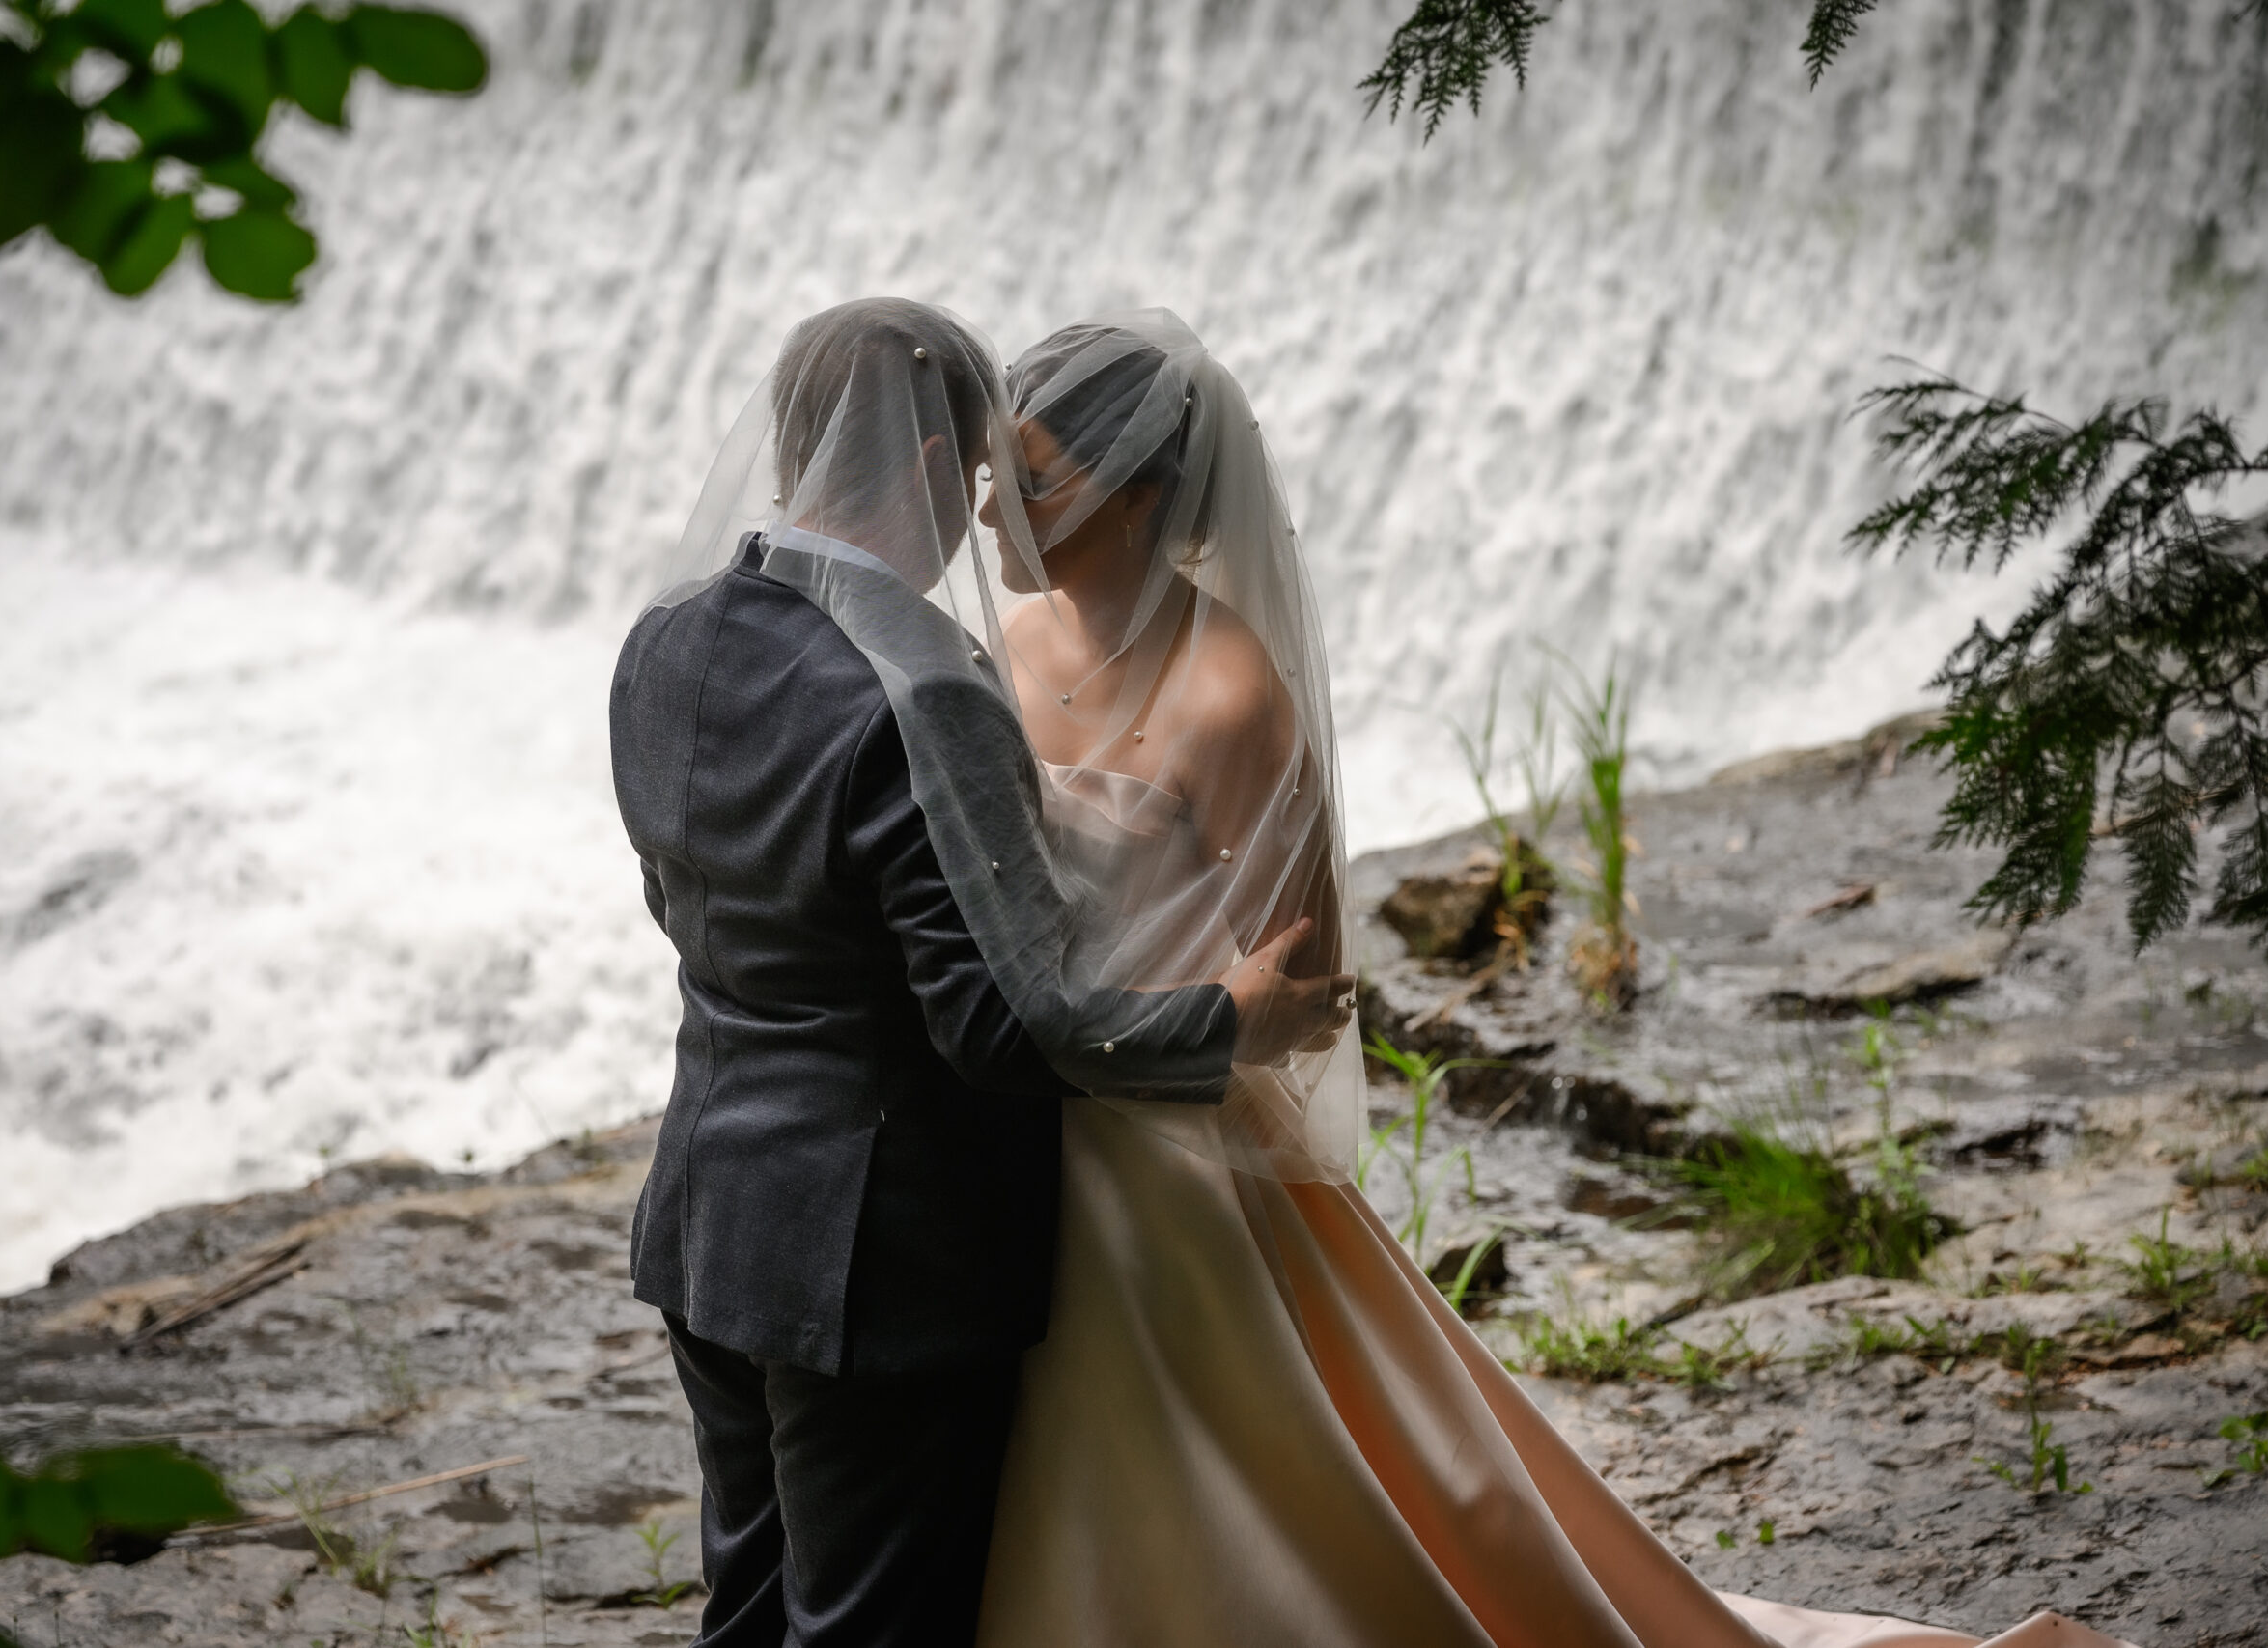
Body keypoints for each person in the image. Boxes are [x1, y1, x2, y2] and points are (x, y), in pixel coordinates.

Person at [964, 310, 2136, 1648]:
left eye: (1036, 471)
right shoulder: (1002, 642)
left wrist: (1182, 1034)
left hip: (1164, 1154)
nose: (996, 497)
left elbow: (1309, 972)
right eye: (1003, 462)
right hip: (1024, 1095)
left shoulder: (1231, 694)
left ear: (1137, 489)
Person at [608, 297, 1350, 1648]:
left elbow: (681, 898)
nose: (994, 512)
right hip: (876, 1260)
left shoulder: (665, 637)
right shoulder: (924, 688)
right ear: (943, 470)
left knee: (748, 1609)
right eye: (986, 473)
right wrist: (1224, 1021)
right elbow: (998, 1025)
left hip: (710, 1219)